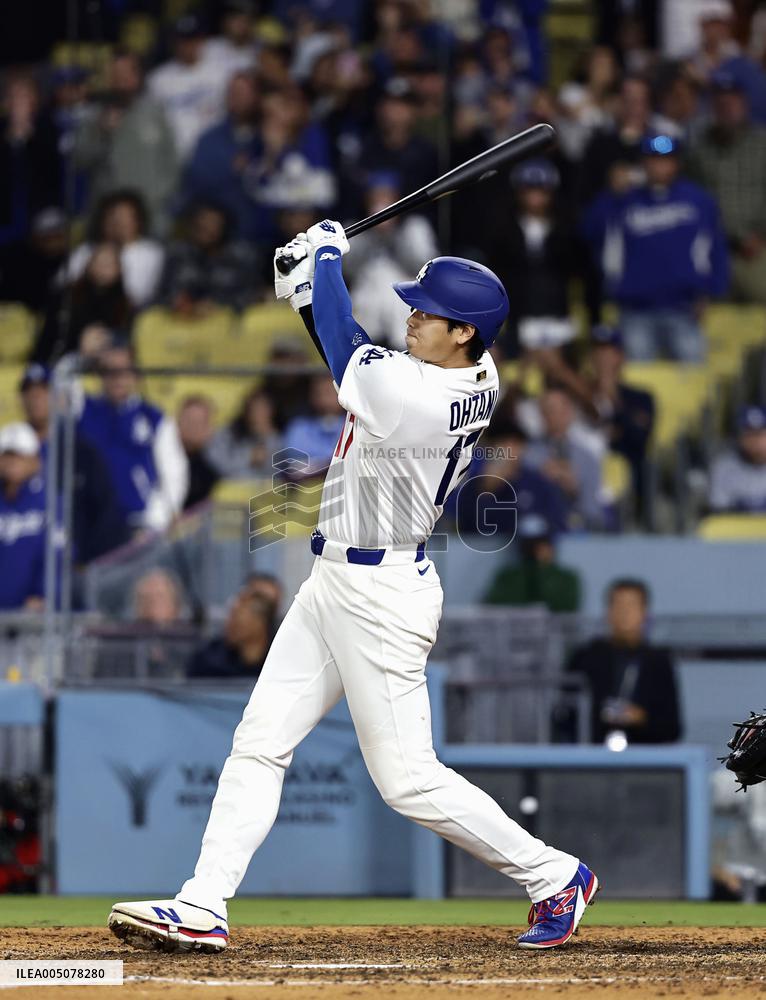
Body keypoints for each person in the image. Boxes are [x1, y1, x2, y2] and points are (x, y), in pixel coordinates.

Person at [109, 220, 599, 953]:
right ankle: (203, 902)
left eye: (429, 313)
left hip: (382, 594)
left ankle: (554, 874)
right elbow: (354, 357)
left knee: (407, 780)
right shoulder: (469, 373)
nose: (413, 317)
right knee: (259, 741)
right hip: (335, 578)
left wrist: (328, 263)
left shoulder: (422, 395)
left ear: (465, 333)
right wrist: (311, 290)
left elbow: (351, 357)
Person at [583, 133, 729, 363]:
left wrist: (710, 291)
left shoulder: (699, 200)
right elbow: (588, 231)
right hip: (634, 309)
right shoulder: (623, 199)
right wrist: (609, 195)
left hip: (684, 308)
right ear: (643, 163)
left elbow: (716, 249)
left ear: (677, 163)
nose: (660, 166)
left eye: (666, 160)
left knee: (692, 376)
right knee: (637, 376)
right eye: (654, 159)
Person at [19, 363, 128, 563]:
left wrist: (88, 562)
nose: (36, 398)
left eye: (43, 391)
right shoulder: (10, 455)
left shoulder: (82, 453)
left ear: (59, 397)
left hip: (76, 563)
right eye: (29, 393)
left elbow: (105, 513)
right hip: (22, 564)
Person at [78, 342, 189, 535]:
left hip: (137, 525)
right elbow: (58, 383)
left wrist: (153, 523)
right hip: (89, 524)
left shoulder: (154, 419)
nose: (117, 378)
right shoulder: (82, 410)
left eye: (123, 371)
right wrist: (84, 357)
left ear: (135, 375)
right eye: (109, 371)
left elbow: (173, 475)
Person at [74, 50, 179, 237]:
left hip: (151, 213)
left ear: (137, 77)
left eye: (126, 73)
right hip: (108, 216)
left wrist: (160, 196)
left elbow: (172, 161)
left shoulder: (155, 112)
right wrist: (101, 133)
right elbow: (79, 161)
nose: (120, 79)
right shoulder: (92, 116)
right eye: (115, 74)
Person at [566, 578, 682, 745]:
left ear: (645, 613)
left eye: (632, 606)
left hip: (645, 754)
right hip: (593, 752)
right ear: (608, 612)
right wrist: (600, 715)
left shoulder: (659, 662)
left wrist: (641, 718)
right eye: (619, 605)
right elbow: (565, 716)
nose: (625, 612)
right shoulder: (586, 657)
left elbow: (672, 728)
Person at [687, 73, 766, 305]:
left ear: (744, 103)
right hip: (711, 250)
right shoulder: (699, 150)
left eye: (732, 100)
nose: (727, 107)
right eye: (720, 102)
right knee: (703, 309)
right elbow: (689, 198)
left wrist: (762, 235)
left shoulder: (762, 145)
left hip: (754, 248)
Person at [59, 189, 164, 309]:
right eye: (112, 215)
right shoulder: (86, 250)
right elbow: (61, 286)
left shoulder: (152, 253)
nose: (117, 222)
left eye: (124, 216)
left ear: (138, 220)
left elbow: (145, 297)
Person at [586, 326, 655, 502]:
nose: (602, 357)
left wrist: (612, 397)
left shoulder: (640, 398)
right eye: (598, 351)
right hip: (585, 473)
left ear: (621, 356)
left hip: (629, 486)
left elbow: (639, 439)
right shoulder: (581, 394)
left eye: (609, 351)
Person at [147, 13, 226, 160]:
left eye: (192, 39)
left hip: (212, 156)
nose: (187, 46)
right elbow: (152, 123)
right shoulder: (159, 79)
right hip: (172, 157)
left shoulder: (220, 74)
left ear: (201, 40)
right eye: (182, 40)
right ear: (174, 43)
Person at [525, 386, 605, 530]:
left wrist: (575, 490)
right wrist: (542, 480)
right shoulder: (527, 455)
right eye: (548, 410)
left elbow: (594, 511)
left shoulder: (587, 458)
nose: (554, 416)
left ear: (570, 413)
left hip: (579, 530)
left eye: (560, 410)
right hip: (539, 529)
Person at [158, 201, 258, 313]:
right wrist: (176, 301)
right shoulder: (178, 254)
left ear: (224, 226)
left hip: (226, 317)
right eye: (201, 223)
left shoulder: (241, 256)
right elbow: (162, 294)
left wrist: (218, 305)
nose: (206, 227)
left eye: (213, 223)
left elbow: (251, 295)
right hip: (180, 318)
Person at [483, 514, 581, 613]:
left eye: (540, 543)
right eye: (528, 544)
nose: (533, 550)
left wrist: (544, 569)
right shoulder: (507, 576)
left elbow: (567, 607)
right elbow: (494, 604)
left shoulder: (566, 578)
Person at [0, 423, 46, 610]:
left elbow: (57, 556)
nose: (12, 462)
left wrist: (43, 593)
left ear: (34, 460)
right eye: (7, 455)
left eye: (20, 455)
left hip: (33, 616)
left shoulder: (49, 501)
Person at [186, 589, 273, 679]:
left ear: (260, 623)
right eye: (230, 617)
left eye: (237, 621)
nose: (229, 625)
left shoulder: (276, 664)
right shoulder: (207, 661)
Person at [207, 387, 281, 480]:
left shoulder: (277, 438)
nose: (258, 415)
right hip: (232, 486)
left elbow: (277, 474)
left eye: (263, 410)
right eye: (254, 410)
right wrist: (248, 457)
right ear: (246, 411)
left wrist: (268, 437)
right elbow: (219, 465)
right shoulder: (228, 433)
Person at [282, 373, 345, 477]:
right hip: (308, 484)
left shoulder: (355, 425)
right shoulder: (298, 427)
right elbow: (294, 461)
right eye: (319, 393)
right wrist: (328, 462)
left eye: (329, 392)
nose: (324, 399)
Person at [709, 405, 766, 512]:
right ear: (740, 437)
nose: (755, 441)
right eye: (749, 434)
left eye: (760, 434)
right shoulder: (723, 468)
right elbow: (720, 513)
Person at [176, 396, 220, 510]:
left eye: (199, 422)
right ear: (177, 423)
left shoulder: (214, 471)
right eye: (189, 420)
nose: (193, 427)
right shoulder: (156, 461)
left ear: (209, 429)